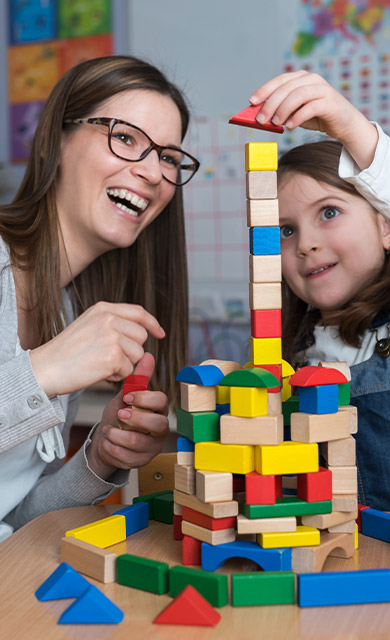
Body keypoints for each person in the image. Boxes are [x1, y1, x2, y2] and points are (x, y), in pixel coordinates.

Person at [248, 70, 390, 513]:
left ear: (386, 227)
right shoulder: (287, 356)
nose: (306, 243)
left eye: (329, 212)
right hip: (323, 572)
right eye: (285, 230)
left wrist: (350, 125)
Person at [0, 55, 199, 539]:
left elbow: (16, 523)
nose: (152, 172)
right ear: (57, 142)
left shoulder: (66, 310)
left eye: (168, 157)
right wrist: (44, 371)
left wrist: (98, 458)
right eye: (126, 138)